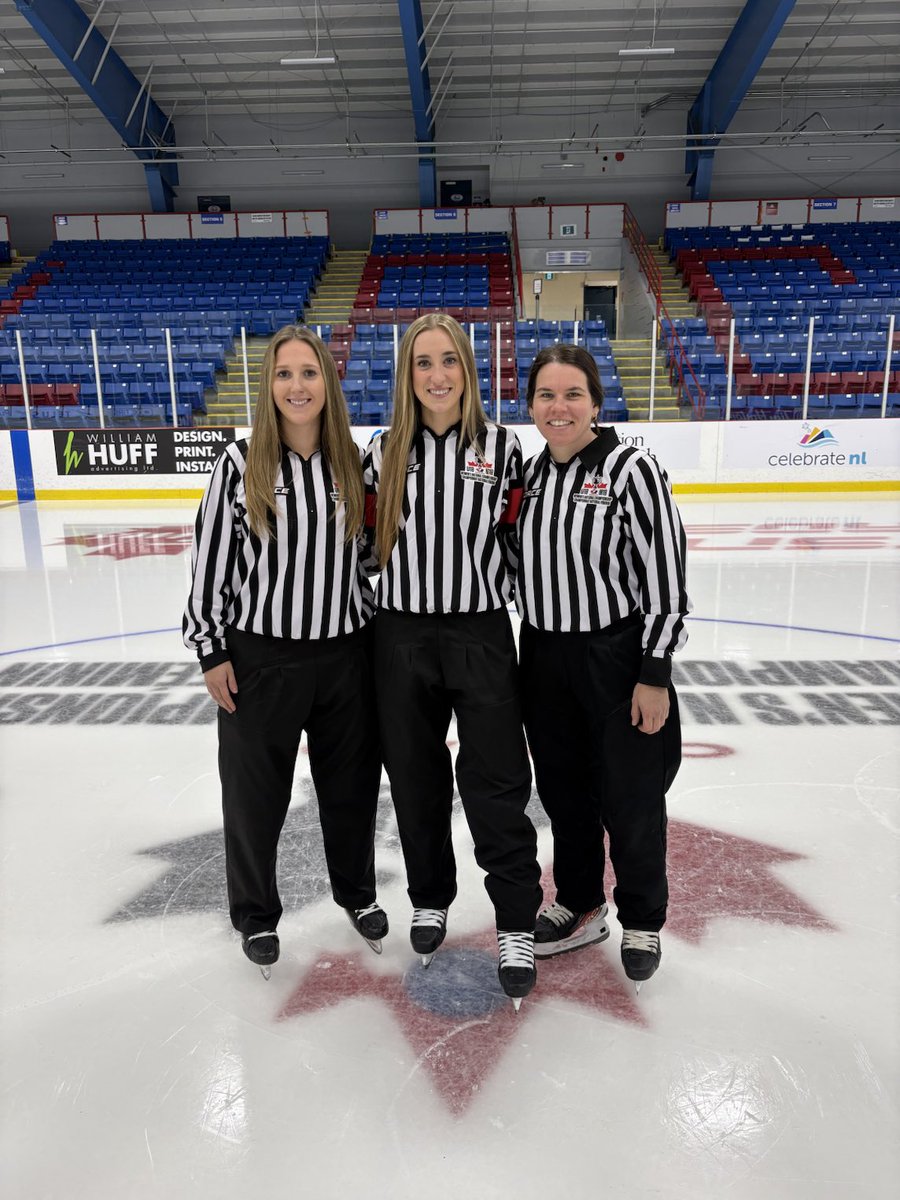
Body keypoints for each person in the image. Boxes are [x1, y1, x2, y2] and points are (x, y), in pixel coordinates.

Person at [183, 325, 386, 978]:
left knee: (351, 789)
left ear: (328, 382)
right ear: (268, 386)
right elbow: (211, 561)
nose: (297, 386)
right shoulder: (241, 463)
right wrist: (211, 650)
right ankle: (255, 914)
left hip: (345, 657)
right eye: (284, 374)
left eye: (309, 372)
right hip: (260, 659)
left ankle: (357, 894)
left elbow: (365, 560)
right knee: (254, 796)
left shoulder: (353, 463)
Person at [362, 312, 542, 1008]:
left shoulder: (504, 448)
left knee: (497, 781)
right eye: (423, 363)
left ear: (467, 370)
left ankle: (516, 923)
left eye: (448, 361)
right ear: (406, 374)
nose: (437, 376)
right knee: (415, 779)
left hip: (480, 634)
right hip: (401, 636)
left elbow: (519, 544)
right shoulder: (383, 451)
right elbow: (362, 549)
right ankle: (430, 897)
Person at [514, 344, 689, 991]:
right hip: (543, 656)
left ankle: (642, 917)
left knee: (631, 795)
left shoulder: (630, 469)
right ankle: (580, 901)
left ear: (596, 402)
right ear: (531, 405)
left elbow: (666, 573)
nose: (558, 408)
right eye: (546, 395)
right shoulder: (530, 477)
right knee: (564, 793)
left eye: (573, 395)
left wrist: (654, 671)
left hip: (615, 659)